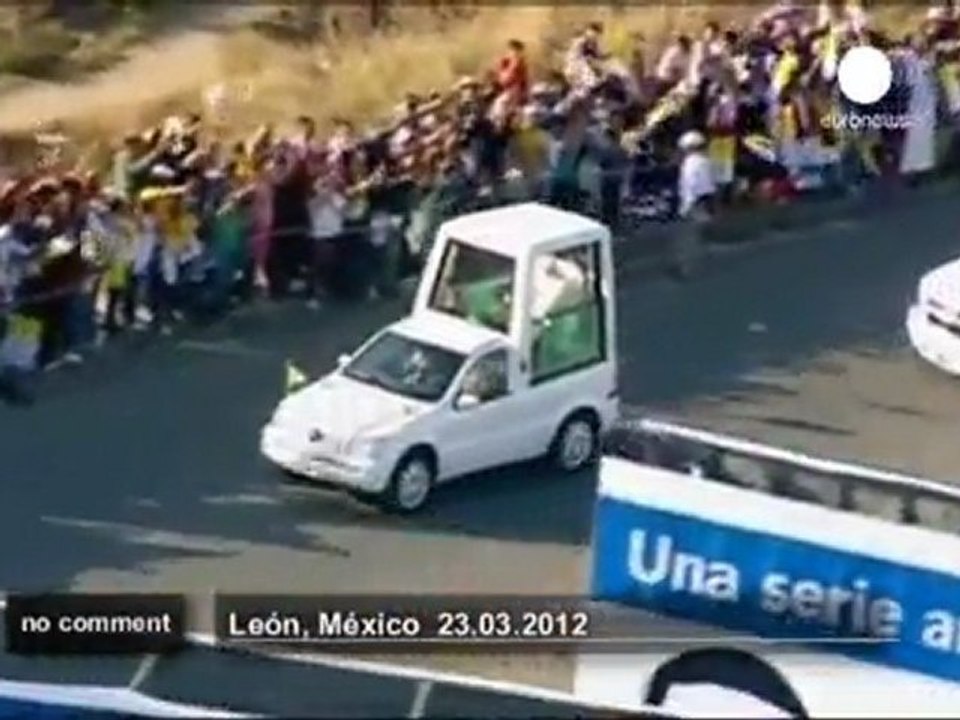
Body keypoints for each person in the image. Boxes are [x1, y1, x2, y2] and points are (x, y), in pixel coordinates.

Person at [673, 130, 715, 279]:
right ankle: (697, 266)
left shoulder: (690, 164)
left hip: (693, 204)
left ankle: (687, 269)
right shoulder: (705, 160)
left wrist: (684, 208)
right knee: (697, 236)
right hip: (705, 201)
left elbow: (688, 186)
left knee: (687, 238)